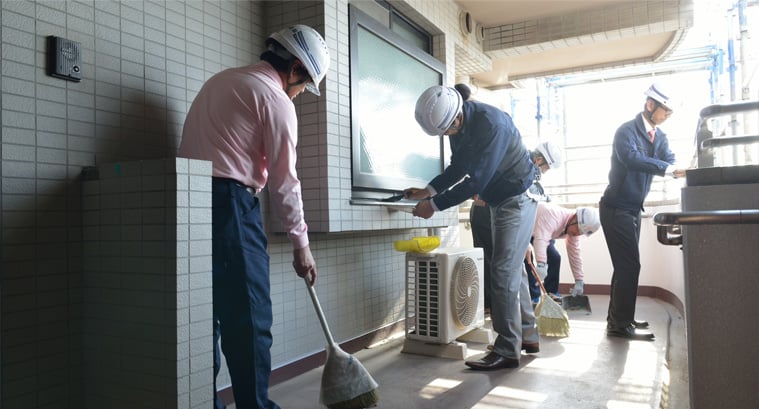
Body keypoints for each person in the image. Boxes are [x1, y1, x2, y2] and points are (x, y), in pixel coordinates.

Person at [178, 25, 329, 409]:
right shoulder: (274, 99)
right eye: (303, 85)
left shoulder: (222, 81)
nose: (298, 94)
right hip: (231, 206)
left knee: (202, 318)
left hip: (187, 204)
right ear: (295, 67)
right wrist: (302, 246)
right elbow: (285, 182)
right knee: (249, 319)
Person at [405, 85, 540, 371]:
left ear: (456, 117)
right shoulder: (459, 124)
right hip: (498, 200)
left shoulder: (492, 124)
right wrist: (427, 191)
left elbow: (475, 182)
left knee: (502, 271)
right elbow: (458, 167)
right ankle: (527, 336)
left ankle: (507, 350)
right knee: (512, 269)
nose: (446, 137)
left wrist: (435, 205)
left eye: (446, 132)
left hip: (516, 199)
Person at [599, 83, 686, 341]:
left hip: (633, 209)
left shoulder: (659, 137)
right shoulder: (626, 131)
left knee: (624, 267)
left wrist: (682, 168)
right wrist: (668, 169)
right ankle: (620, 324)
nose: (667, 115)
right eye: (665, 110)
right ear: (650, 105)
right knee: (629, 266)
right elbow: (632, 159)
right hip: (616, 208)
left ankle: (619, 318)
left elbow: (669, 159)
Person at [469, 138, 563, 312]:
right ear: (539, 159)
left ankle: (507, 305)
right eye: (547, 167)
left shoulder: (530, 169)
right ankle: (491, 306)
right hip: (485, 211)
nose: (545, 172)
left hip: (502, 212)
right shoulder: (517, 161)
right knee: (492, 259)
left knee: (507, 260)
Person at [525, 203, 601, 302]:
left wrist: (579, 280)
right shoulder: (553, 216)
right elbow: (541, 240)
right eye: (578, 230)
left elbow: (575, 254)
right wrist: (541, 264)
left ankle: (551, 293)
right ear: (575, 217)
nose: (577, 234)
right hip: (525, 226)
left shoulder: (574, 230)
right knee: (526, 260)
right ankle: (534, 297)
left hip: (543, 233)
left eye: (581, 233)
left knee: (555, 258)